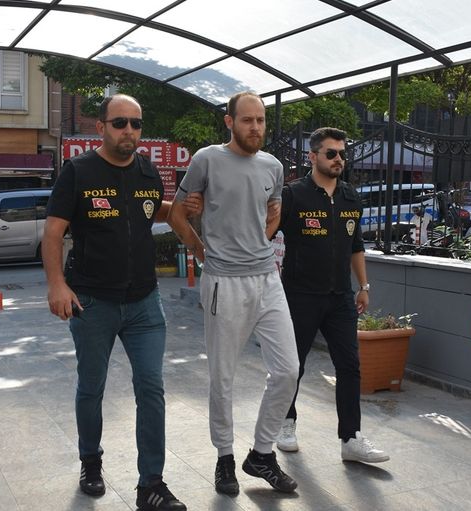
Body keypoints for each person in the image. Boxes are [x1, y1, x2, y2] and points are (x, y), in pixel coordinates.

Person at [42, 94, 199, 511]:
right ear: (101, 127)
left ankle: (151, 484)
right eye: (120, 123)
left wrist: (184, 212)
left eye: (136, 123)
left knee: (151, 388)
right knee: (91, 387)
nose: (129, 130)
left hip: (145, 302)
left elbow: (150, 210)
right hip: (93, 301)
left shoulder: (148, 171)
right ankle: (90, 462)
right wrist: (57, 285)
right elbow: (53, 232)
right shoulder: (78, 172)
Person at [167, 91, 300, 496]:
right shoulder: (207, 159)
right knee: (222, 376)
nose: (256, 127)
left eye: (260, 120)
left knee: (288, 370)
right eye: (247, 120)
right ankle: (224, 456)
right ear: (229, 122)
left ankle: (261, 454)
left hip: (267, 278)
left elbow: (273, 212)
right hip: (224, 281)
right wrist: (198, 248)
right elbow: (176, 213)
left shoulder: (273, 166)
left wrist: (262, 237)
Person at [270, 127, 389, 465]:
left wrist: (363, 286)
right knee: (293, 366)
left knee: (349, 365)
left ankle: (351, 438)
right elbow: (265, 235)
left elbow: (356, 245)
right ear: (313, 156)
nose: (339, 159)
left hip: (340, 298)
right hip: (300, 296)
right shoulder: (293, 195)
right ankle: (286, 422)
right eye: (331, 153)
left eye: (342, 154)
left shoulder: (351, 197)